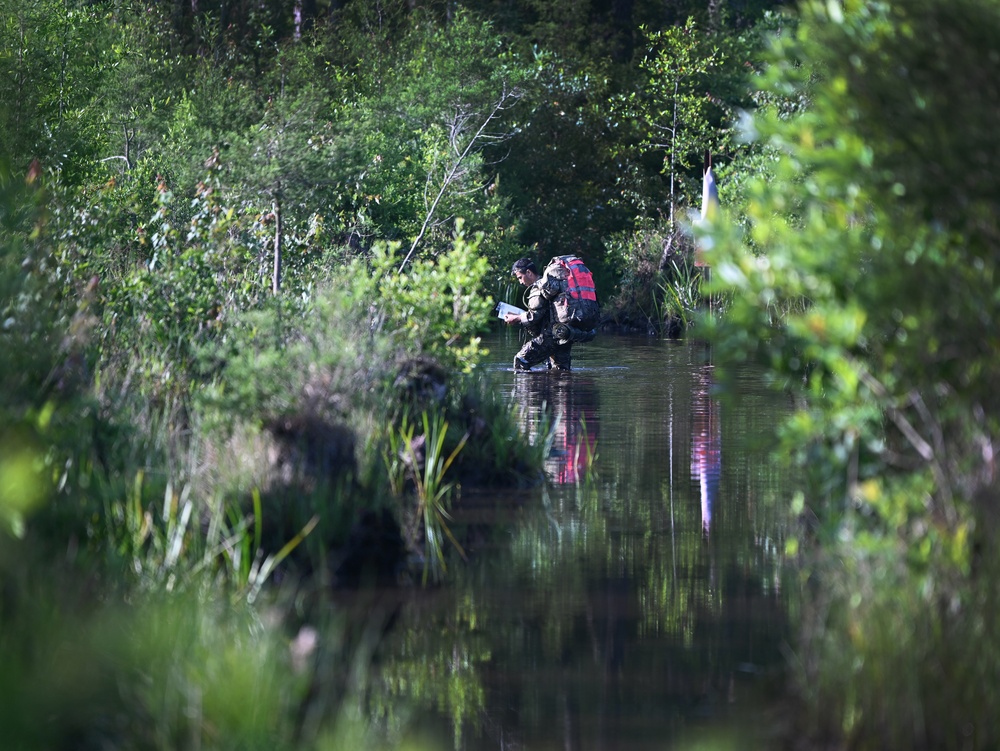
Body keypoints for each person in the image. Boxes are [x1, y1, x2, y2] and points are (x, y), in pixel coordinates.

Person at [503, 257, 572, 372]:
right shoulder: (552, 285)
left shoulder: (539, 286)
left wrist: (517, 318)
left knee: (520, 361)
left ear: (529, 273)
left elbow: (534, 316)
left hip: (549, 337)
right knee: (560, 372)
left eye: (520, 277)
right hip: (564, 335)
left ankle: (532, 390)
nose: (520, 281)